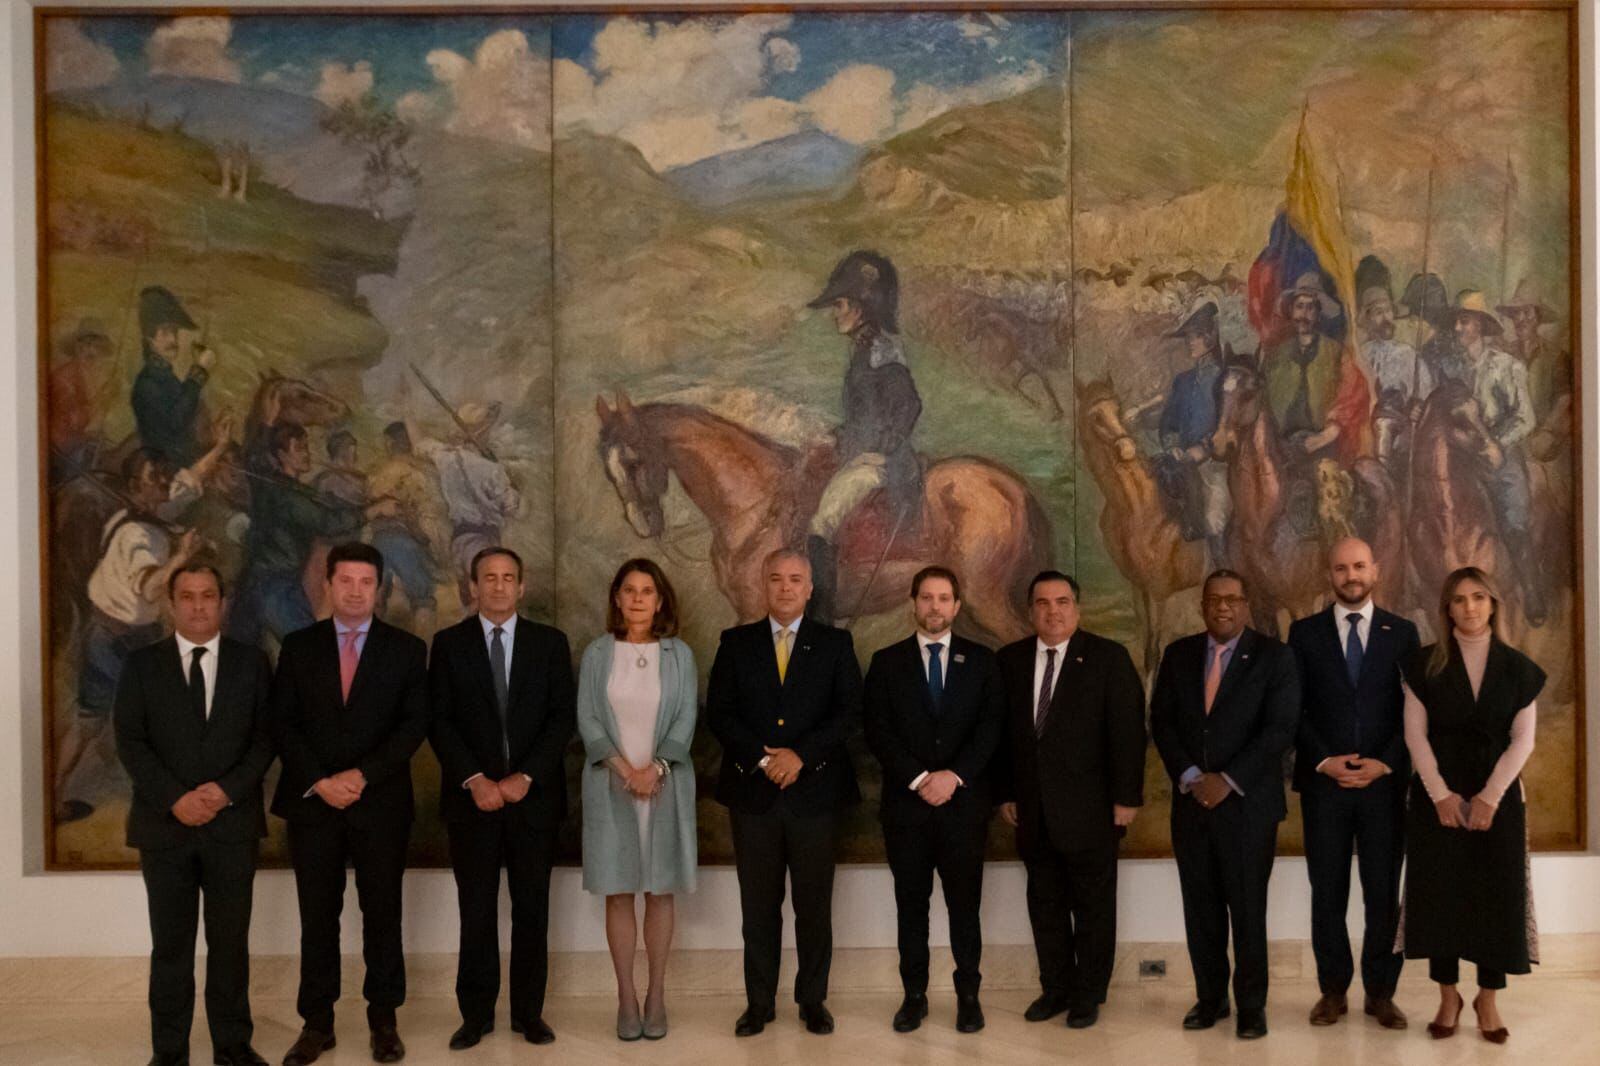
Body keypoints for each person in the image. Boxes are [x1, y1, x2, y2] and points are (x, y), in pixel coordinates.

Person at [269, 543, 429, 1066]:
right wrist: (321, 780)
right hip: (314, 803)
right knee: (318, 917)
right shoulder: (298, 647)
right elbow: (283, 723)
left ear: (378, 588)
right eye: (346, 581)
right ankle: (317, 1024)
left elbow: (413, 726)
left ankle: (384, 1020)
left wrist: (360, 776)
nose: (356, 591)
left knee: (382, 914)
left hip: (379, 802)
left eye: (366, 582)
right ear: (328, 586)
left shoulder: (406, 650)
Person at [114, 564, 274, 1066]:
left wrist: (226, 792)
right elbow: (131, 742)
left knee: (230, 946)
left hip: (232, 827)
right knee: (171, 948)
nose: (199, 605)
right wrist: (175, 798)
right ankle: (169, 1050)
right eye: (188, 596)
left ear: (222, 603)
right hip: (165, 828)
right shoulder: (141, 665)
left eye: (208, 595)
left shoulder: (252, 663)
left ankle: (232, 1045)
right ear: (171, 603)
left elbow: (266, 738)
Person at [707, 547, 862, 1037]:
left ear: (810, 587)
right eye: (776, 578)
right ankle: (759, 1004)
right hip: (753, 796)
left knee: (813, 907)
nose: (786, 587)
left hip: (815, 795)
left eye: (796, 579)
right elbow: (721, 713)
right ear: (763, 583)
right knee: (758, 907)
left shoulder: (835, 644)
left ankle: (812, 1001)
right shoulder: (735, 643)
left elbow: (849, 713)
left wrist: (800, 757)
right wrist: (763, 758)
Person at [428, 546, 575, 1050]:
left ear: (521, 586)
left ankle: (528, 1014)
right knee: (477, 911)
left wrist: (524, 778)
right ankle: (476, 1015)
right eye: (488, 577)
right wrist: (476, 779)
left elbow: (562, 719)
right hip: (473, 803)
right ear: (473, 586)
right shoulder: (448, 645)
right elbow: (439, 720)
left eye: (507, 577)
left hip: (532, 802)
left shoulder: (549, 644)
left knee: (532, 911)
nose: (497, 586)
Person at [1150, 569, 1299, 1039]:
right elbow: (1163, 722)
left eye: (1232, 599)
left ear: (1246, 605)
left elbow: (1280, 730)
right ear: (1202, 606)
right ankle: (1209, 1000)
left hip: (1248, 808)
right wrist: (1194, 777)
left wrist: (1228, 780)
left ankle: (1252, 1007)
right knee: (1202, 910)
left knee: (1248, 911)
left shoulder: (1275, 658)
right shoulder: (1179, 655)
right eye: (1214, 599)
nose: (1222, 607)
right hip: (1193, 805)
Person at [56, 433, 233, 824]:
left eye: (164, 475)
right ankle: (175, 804)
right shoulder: (139, 535)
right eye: (156, 477)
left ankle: (54, 798)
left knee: (91, 720)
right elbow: (152, 586)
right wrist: (183, 555)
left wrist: (219, 447)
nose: (165, 482)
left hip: (114, 635)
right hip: (120, 643)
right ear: (136, 487)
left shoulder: (154, 513)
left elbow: (189, 482)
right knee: (161, 720)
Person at [994, 571, 1145, 1030]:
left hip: (1093, 810)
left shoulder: (1107, 658)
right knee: (1045, 906)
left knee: (1094, 909)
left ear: (1077, 608)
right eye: (1043, 603)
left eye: (1062, 602)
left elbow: (1128, 734)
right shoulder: (1010, 661)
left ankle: (1088, 994)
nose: (1053, 611)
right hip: (1033, 813)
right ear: (1031, 610)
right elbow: (1001, 736)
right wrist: (1004, 792)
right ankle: (1055, 989)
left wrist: (1127, 799)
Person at [1400, 567, 1543, 1045]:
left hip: (1497, 799)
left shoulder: (1520, 669)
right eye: (1458, 599)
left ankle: (1487, 997)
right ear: (1447, 609)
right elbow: (1414, 736)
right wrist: (1440, 795)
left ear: (1493, 603)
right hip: (1437, 798)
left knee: (1494, 900)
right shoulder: (1423, 666)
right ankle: (1448, 995)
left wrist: (1489, 798)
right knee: (1439, 898)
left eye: (1478, 597)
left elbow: (1523, 742)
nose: (1469, 607)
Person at [862, 566, 1003, 1034]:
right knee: (911, 907)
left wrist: (954, 777)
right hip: (908, 810)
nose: (935, 607)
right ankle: (914, 996)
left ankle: (968, 996)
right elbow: (877, 732)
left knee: (965, 908)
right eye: (926, 597)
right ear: (913, 602)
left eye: (944, 598)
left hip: (963, 808)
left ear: (957, 606)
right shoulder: (887, 662)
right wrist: (923, 777)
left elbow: (991, 730)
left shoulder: (983, 662)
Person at [1288, 537, 1419, 1029]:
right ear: (1330, 575)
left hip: (1384, 788)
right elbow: (1292, 708)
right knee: (1328, 891)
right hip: (1325, 787)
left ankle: (1381, 993)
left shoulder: (1402, 633)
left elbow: (1414, 710)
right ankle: (1333, 990)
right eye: (1341, 568)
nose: (1351, 575)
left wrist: (1385, 763)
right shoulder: (1303, 634)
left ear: (1376, 570)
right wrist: (1324, 760)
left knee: (1382, 893)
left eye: (1359, 566)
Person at [577, 559, 698, 1041]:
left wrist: (657, 770)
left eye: (647, 591)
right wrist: (628, 772)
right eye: (628, 590)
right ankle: (626, 997)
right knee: (620, 888)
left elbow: (686, 716)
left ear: (660, 600)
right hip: (612, 787)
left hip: (666, 787)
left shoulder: (679, 655)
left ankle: (656, 995)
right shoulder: (597, 653)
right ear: (617, 598)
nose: (637, 599)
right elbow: (588, 720)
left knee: (659, 888)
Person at [804, 250, 922, 622]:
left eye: (841, 303)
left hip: (882, 463)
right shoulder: (863, 350)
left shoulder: (882, 350)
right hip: (861, 453)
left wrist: (876, 451)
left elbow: (909, 406)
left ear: (864, 305)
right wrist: (837, 437)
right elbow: (866, 413)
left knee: (820, 523)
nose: (836, 313)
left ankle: (821, 620)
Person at [1156, 300, 1230, 563]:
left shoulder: (1225, 379)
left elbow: (1229, 424)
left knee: (1213, 517)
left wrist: (1204, 449)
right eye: (1188, 337)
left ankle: (1219, 569)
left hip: (1214, 463)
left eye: (1196, 337)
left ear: (1210, 338)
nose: (1190, 343)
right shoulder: (1183, 381)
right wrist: (1172, 445)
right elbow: (1169, 421)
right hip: (1181, 461)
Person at [131, 285, 214, 467]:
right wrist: (199, 371)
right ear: (149, 338)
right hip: (165, 470)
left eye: (174, 332)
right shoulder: (147, 383)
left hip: (181, 464)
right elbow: (177, 420)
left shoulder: (164, 376)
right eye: (165, 332)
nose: (174, 340)